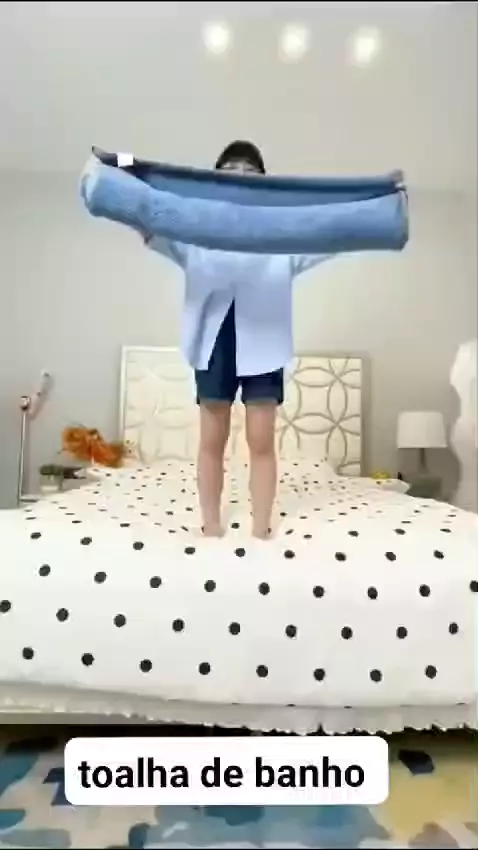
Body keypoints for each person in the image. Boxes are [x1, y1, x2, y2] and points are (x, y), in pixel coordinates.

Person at [143, 140, 332, 538]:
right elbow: (150, 224)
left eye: (250, 172)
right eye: (230, 171)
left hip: (264, 345)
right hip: (213, 344)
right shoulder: (195, 236)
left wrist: (375, 201)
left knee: (261, 441)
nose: (241, 178)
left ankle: (261, 528)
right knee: (212, 439)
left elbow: (328, 236)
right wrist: (126, 173)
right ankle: (211, 525)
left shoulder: (280, 240)